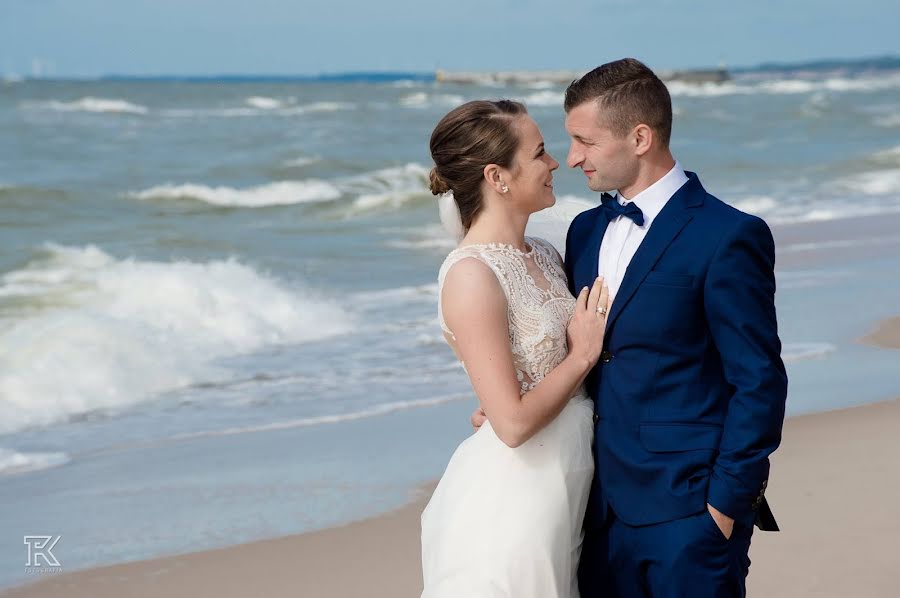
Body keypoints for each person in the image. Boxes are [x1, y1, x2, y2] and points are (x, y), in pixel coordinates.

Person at [420, 99, 611, 598]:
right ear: (497, 176)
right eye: (540, 153)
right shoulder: (471, 275)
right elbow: (512, 424)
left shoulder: (545, 254)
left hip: (569, 477)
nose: (554, 164)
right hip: (518, 498)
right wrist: (581, 356)